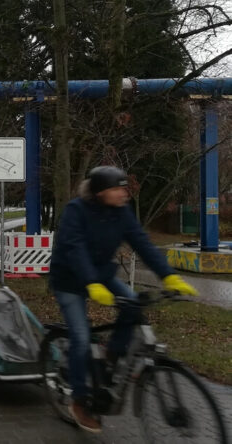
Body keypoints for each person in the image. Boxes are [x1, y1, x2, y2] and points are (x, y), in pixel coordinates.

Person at [49, 165, 198, 434]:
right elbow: (74, 247)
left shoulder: (121, 212)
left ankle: (111, 354)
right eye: (117, 189)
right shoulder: (76, 210)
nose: (124, 194)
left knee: (133, 305)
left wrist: (169, 276)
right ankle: (79, 402)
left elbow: (142, 243)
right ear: (100, 192)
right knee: (81, 338)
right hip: (69, 280)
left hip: (102, 275)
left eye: (124, 188)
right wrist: (90, 282)